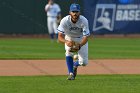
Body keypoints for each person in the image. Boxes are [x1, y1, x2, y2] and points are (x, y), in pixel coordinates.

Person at [57, 3, 90, 80]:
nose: (75, 13)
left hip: (81, 39)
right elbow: (59, 37)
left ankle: (75, 64)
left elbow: (86, 37)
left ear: (79, 12)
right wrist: (66, 41)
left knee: (84, 63)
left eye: (76, 11)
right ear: (70, 12)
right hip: (69, 38)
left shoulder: (84, 21)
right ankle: (71, 74)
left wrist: (80, 45)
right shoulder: (64, 21)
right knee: (68, 52)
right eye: (73, 11)